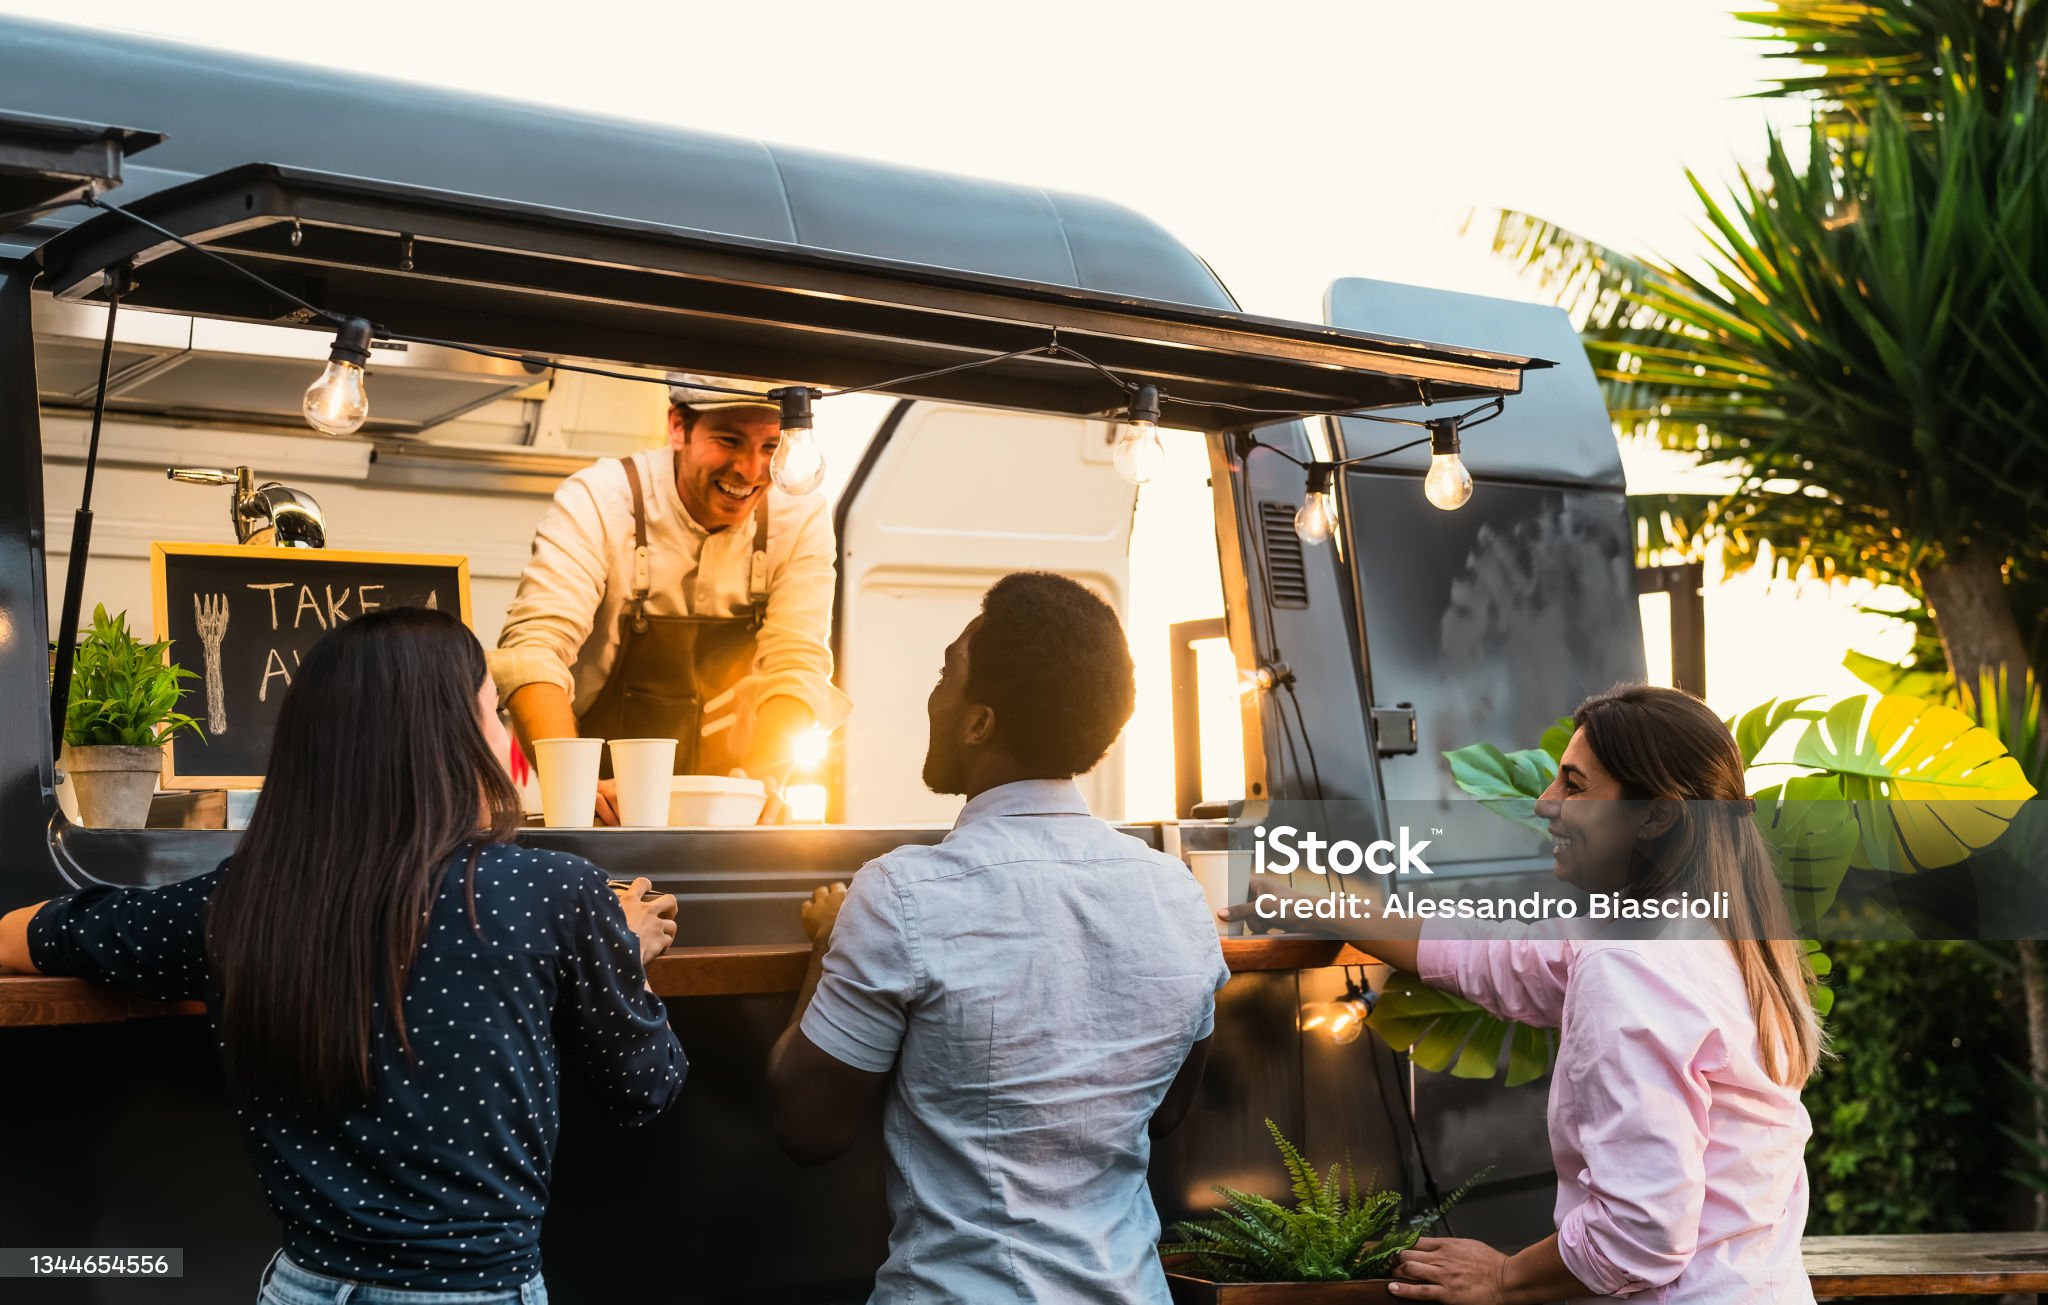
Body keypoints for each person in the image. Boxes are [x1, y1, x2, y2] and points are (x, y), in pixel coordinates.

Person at [0, 607, 688, 1303]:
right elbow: (644, 1088)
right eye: (493, 716)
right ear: (449, 739)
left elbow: (25, 935)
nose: (504, 744)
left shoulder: (237, 900)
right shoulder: (555, 890)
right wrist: (621, 953)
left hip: (301, 1287)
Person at [1227, 683, 1821, 1304]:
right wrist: (1302, 897)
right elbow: (1482, 958)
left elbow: (1642, 1233)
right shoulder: (1723, 928)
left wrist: (1503, 1277)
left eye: (1574, 785)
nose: (1544, 802)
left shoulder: (1630, 964)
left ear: (1654, 816)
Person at [765, 571, 1230, 1304]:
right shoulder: (1178, 893)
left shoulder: (903, 893)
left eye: (947, 672)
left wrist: (828, 943)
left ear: (979, 722)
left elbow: (809, 1128)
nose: (933, 695)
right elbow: (1166, 1111)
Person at [491, 374, 851, 823]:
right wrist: (575, 788)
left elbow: (794, 663)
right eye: (729, 440)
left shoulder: (801, 515)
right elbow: (535, 650)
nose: (750, 469)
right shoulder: (601, 498)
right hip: (601, 795)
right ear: (678, 427)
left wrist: (766, 781)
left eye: (769, 446)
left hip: (729, 798)